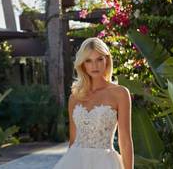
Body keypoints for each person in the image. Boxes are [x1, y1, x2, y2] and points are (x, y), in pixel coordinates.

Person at [53, 37, 134, 169]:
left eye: (99, 59)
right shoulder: (75, 97)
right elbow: (73, 141)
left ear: (107, 60)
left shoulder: (120, 93)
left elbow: (125, 141)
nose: (94, 66)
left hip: (106, 163)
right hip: (75, 162)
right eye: (89, 61)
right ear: (83, 64)